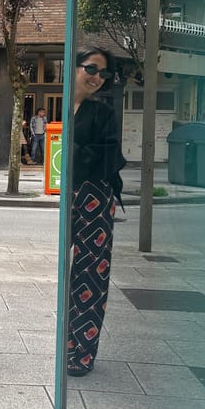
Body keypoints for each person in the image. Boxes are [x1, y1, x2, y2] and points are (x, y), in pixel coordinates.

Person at [68, 46, 125, 377]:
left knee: (90, 274)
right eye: (91, 69)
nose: (96, 77)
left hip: (94, 198)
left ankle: (82, 351)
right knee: (64, 273)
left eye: (104, 73)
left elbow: (108, 157)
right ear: (75, 67)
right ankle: (65, 342)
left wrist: (71, 150)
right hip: (65, 197)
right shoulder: (62, 107)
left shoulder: (102, 112)